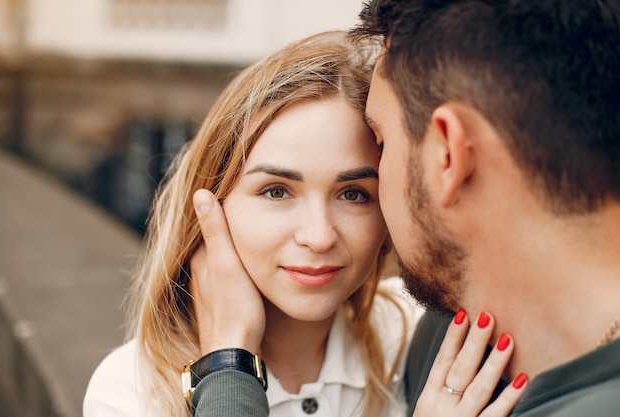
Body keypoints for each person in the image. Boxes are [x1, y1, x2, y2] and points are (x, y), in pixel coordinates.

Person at [182, 0, 620, 416]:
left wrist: (227, 370)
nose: (319, 236)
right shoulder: (439, 337)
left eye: (382, 142)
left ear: (448, 155)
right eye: (276, 191)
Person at [83, 30, 524, 417]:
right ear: (212, 204)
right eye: (277, 191)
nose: (318, 236)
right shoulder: (132, 390)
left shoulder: (418, 342)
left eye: (353, 194)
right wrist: (228, 361)